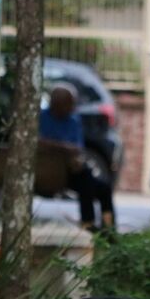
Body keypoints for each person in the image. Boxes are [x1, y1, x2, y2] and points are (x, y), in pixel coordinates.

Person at [39, 83, 116, 231]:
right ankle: (88, 223)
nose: (72, 107)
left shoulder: (73, 121)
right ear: (56, 104)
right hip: (48, 170)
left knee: (102, 188)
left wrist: (67, 151)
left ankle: (108, 227)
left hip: (71, 170)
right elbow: (39, 142)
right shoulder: (42, 118)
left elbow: (77, 149)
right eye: (68, 104)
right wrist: (63, 148)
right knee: (86, 182)